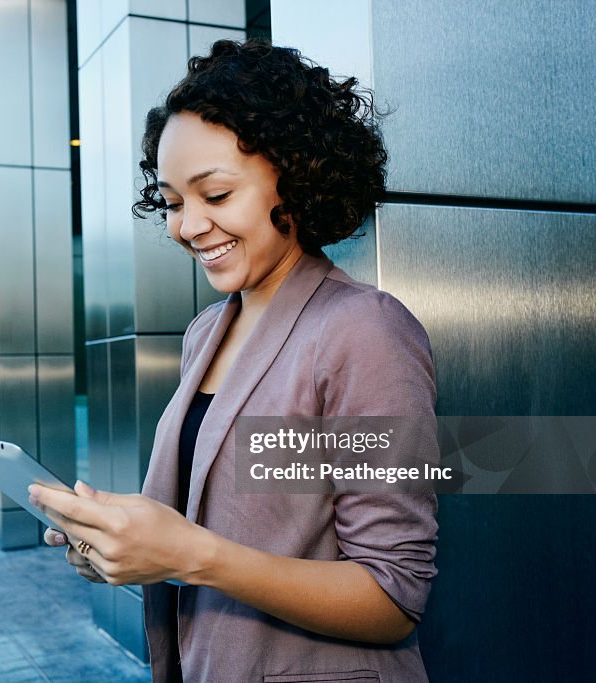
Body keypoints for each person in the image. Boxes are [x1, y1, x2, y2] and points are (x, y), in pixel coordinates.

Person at [29, 38, 438, 682]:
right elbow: (209, 521)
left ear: (296, 177)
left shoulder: (364, 331)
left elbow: (393, 598)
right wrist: (122, 545)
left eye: (214, 195)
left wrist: (190, 555)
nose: (187, 226)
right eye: (171, 202)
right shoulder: (204, 333)